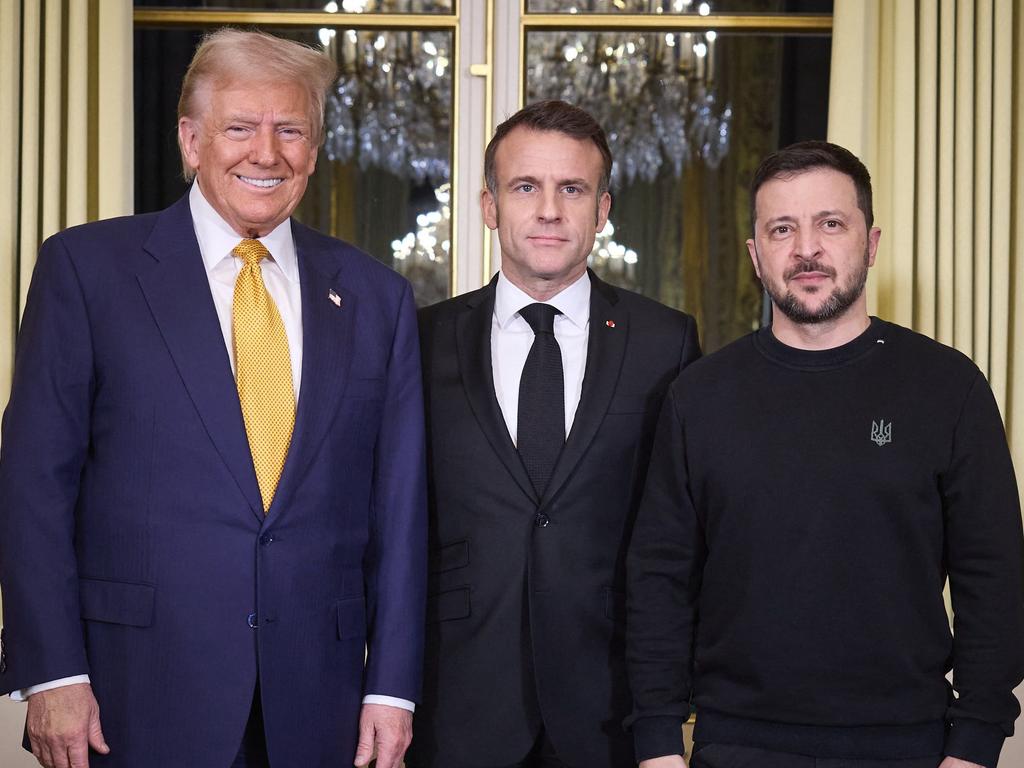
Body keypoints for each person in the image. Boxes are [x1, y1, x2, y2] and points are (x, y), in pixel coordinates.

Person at [0, 28, 426, 768]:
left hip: (318, 706)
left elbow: (400, 509)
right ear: (190, 141)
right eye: (240, 128)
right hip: (132, 695)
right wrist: (53, 672)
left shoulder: (374, 297)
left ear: (314, 150)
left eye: (290, 129)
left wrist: (391, 688)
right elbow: (34, 485)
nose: (267, 152)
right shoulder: (88, 270)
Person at [626, 140, 1024, 768]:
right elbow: (659, 578)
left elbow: (994, 576)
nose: (805, 248)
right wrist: (656, 745)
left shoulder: (949, 388)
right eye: (782, 229)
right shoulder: (698, 397)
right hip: (735, 745)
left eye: (830, 224)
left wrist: (975, 743)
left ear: (870, 243)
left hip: (910, 745)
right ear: (757, 256)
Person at [408, 100, 701, 768]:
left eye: (572, 189)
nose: (548, 210)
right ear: (488, 206)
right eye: (525, 187)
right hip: (456, 704)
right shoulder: (420, 341)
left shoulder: (666, 341)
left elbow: (682, 533)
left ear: (602, 210)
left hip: (612, 708)